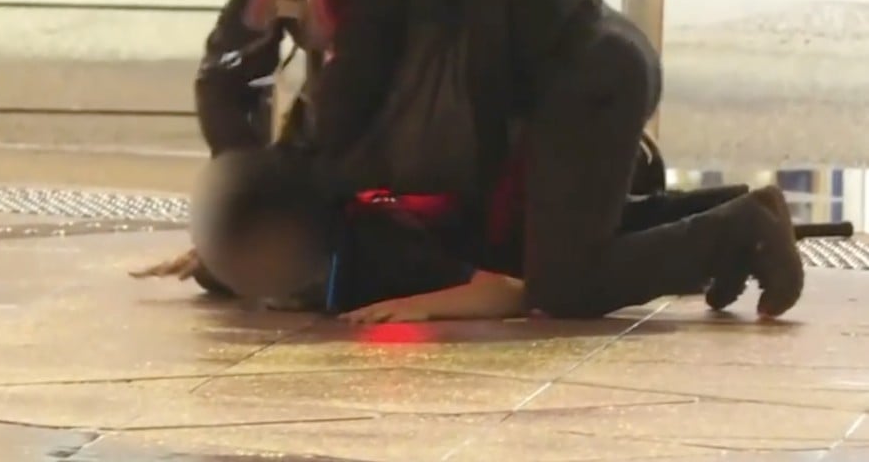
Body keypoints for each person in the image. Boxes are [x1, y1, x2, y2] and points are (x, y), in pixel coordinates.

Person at [194, 0, 805, 320]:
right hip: (552, 86)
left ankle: (743, 232)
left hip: (585, 81)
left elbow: (357, 99)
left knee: (566, 283)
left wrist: (274, 204)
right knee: (538, 247)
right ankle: (727, 217)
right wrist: (249, 39)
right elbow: (228, 80)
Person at [131, 146, 796, 322]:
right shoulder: (321, 228)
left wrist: (427, 303)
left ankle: (736, 227)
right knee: (622, 219)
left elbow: (506, 292)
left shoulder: (371, 254)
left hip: (507, 232)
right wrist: (207, 260)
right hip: (506, 197)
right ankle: (745, 207)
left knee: (569, 288)